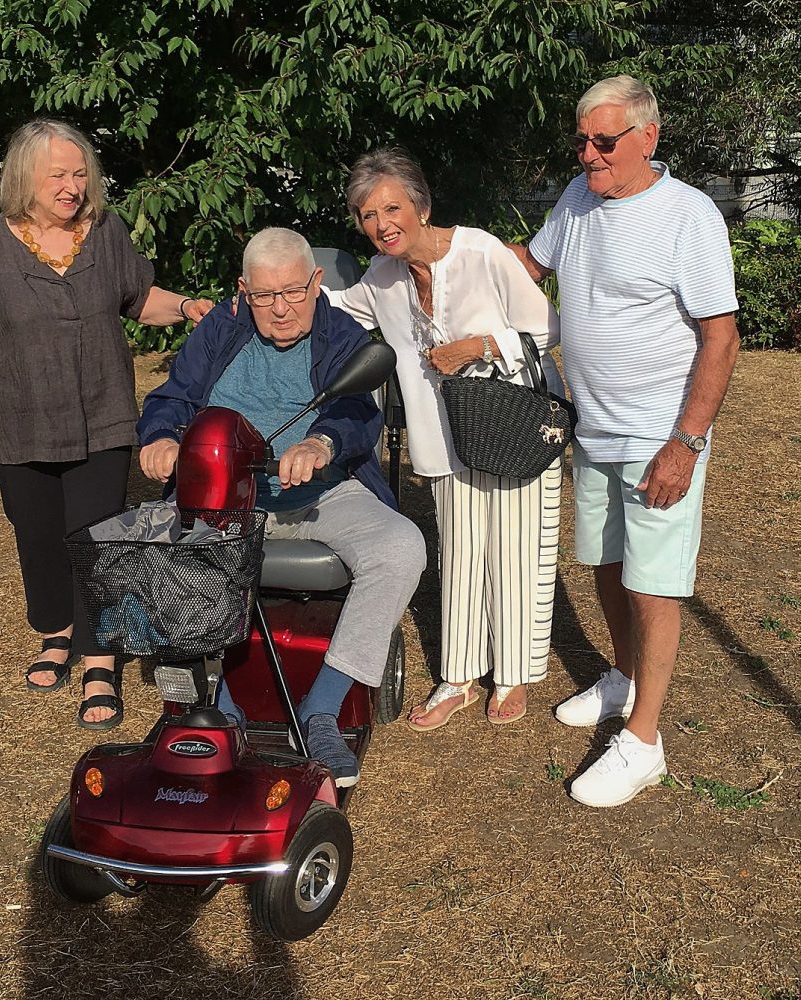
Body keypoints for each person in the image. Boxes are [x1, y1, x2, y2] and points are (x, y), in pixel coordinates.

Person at [509, 75, 740, 807]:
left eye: (603, 142)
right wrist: (434, 255)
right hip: (594, 423)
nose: (588, 155)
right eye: (580, 141)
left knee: (652, 582)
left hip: (658, 434)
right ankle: (622, 677)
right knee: (606, 563)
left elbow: (721, 337)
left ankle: (643, 741)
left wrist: (686, 442)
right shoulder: (579, 200)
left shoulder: (689, 216)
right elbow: (526, 267)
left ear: (648, 137)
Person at [0, 119, 214, 732]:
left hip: (102, 414)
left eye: (79, 172)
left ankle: (99, 660)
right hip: (19, 418)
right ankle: (55, 631)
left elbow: (138, 299)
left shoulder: (108, 232)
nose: (72, 186)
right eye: (58, 174)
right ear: (25, 179)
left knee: (97, 539)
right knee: (37, 534)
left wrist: (187, 307)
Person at [137, 227, 427, 788]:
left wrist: (321, 443)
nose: (282, 309)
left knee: (400, 547)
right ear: (244, 291)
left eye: (294, 292)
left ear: (316, 283)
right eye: (265, 296)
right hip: (229, 495)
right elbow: (172, 397)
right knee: (155, 546)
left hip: (322, 493)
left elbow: (357, 412)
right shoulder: (219, 329)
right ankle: (220, 702)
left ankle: (323, 707)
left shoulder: (340, 334)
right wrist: (163, 437)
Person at [329, 147, 565, 731]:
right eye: (367, 214)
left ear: (421, 205)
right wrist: (277, 292)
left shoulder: (481, 250)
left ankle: (512, 674)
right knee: (459, 554)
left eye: (392, 207)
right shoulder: (381, 278)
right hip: (443, 436)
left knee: (516, 549)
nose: (382, 224)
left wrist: (481, 345)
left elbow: (545, 326)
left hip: (513, 425)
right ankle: (457, 676)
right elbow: (338, 310)